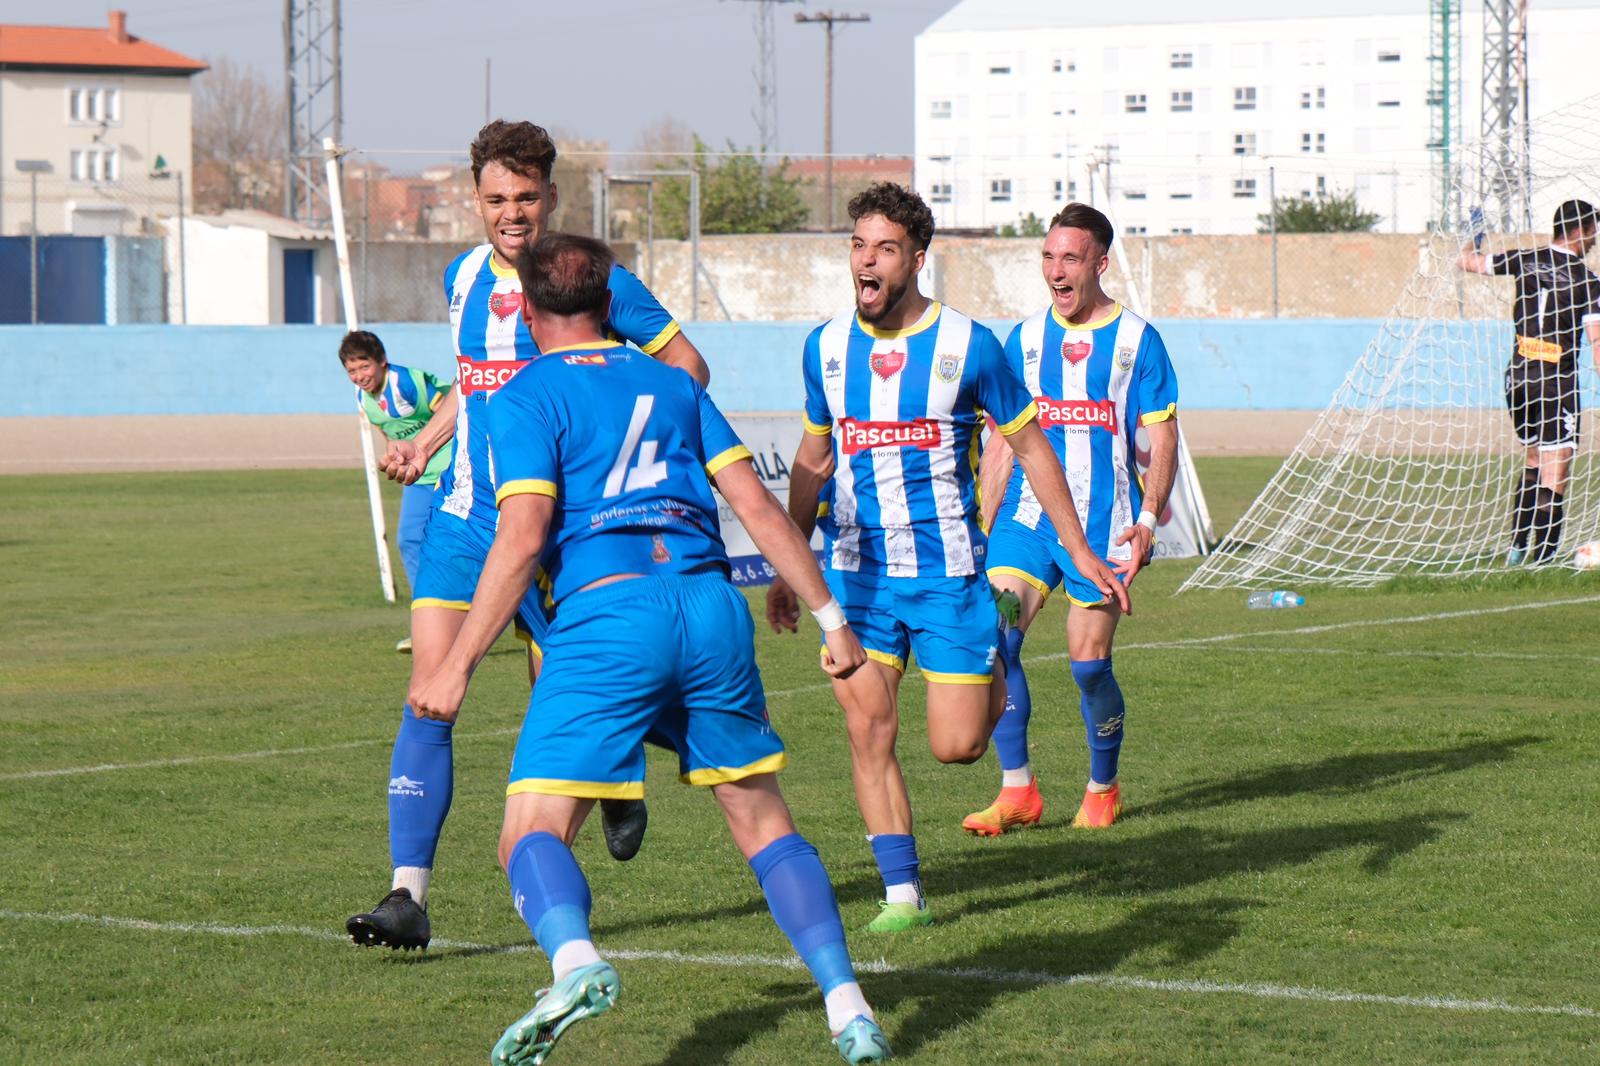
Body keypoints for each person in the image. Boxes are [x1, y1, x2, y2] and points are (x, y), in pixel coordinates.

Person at [409, 232, 891, 1065]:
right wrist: (832, 621)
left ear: (526, 312)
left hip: (609, 616)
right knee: (761, 817)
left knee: (529, 832)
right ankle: (850, 1009)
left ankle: (575, 962)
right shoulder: (674, 384)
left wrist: (454, 666)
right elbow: (761, 510)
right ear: (610, 303)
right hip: (711, 609)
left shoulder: (525, 395)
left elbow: (522, 537)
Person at [345, 120, 711, 952]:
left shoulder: (597, 281)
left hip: (562, 537)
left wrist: (615, 457)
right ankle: (407, 896)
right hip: (468, 518)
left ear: (552, 197)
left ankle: (609, 782)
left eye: (527, 198)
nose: (511, 214)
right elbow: (475, 394)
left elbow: (687, 370)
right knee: (430, 690)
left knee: (567, 703)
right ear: (474, 199)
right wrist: (425, 442)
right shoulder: (462, 276)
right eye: (496, 199)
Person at [765, 183, 1129, 934]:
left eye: (885, 248)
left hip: (947, 575)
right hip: (856, 578)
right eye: (858, 247)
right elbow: (811, 456)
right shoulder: (825, 348)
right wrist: (788, 562)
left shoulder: (969, 346)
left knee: (957, 747)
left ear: (917, 259)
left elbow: (1032, 447)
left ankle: (994, 646)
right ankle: (903, 894)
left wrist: (1080, 549)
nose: (866, 262)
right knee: (867, 729)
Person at [962, 203, 1179, 837]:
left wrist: (1146, 520)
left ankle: (1102, 787)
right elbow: (1003, 440)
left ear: (1099, 264)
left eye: (1071, 258)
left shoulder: (1139, 341)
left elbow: (1161, 436)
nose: (1057, 270)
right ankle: (1017, 792)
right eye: (1049, 257)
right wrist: (981, 522)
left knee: (1088, 664)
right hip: (1027, 525)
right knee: (995, 640)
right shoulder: (1024, 341)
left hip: (1103, 527)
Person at [1459, 198, 1600, 565]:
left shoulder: (1524, 258)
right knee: (1556, 470)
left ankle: (1516, 550)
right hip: (1556, 379)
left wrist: (1473, 236)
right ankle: (1543, 559)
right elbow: (1597, 341)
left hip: (1518, 377)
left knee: (1534, 459)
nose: (1595, 239)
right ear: (1577, 232)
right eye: (1592, 231)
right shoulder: (1588, 282)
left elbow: (1468, 263)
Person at [339, 329, 453, 653]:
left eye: (364, 367)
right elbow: (388, 433)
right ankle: (427, 627)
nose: (359, 376)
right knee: (409, 539)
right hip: (418, 475)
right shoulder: (364, 399)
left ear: (382, 361)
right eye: (351, 371)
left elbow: (454, 413)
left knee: (471, 540)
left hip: (449, 468)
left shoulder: (407, 383)